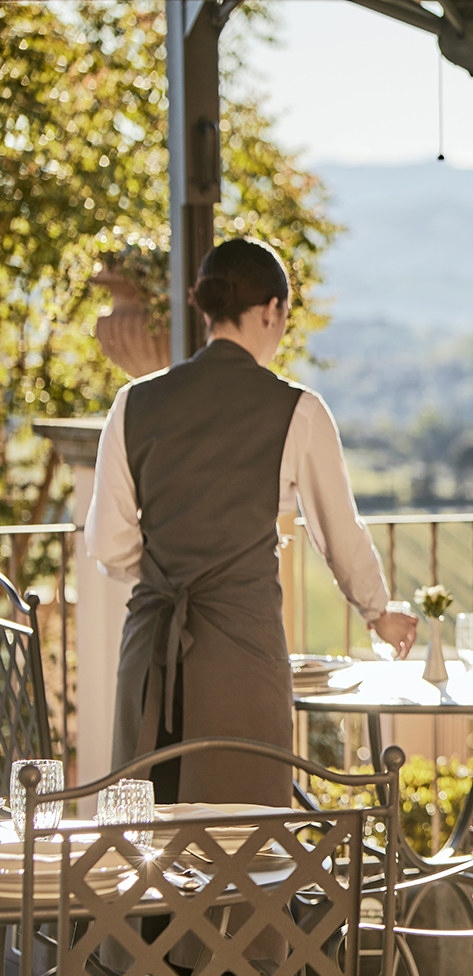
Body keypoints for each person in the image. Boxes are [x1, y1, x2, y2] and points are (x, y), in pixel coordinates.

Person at [85, 237, 416, 804]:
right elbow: (339, 531)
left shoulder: (132, 403)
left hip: (149, 650)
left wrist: (174, 573)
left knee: (145, 828)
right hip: (240, 653)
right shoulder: (298, 410)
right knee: (241, 832)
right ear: (272, 310)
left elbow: (110, 544)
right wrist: (378, 612)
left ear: (206, 307)